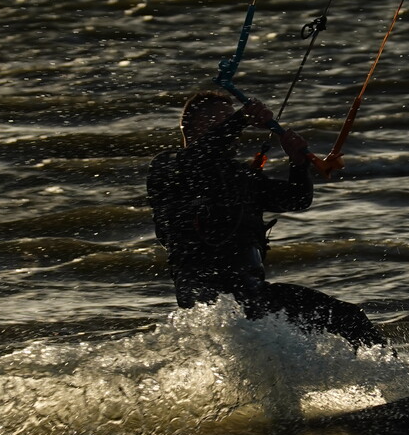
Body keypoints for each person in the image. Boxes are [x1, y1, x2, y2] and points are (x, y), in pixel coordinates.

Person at [146, 89, 385, 349]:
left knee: (350, 319)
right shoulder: (171, 168)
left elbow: (296, 199)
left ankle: (391, 378)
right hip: (208, 300)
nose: (232, 131)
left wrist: (297, 164)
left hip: (254, 293)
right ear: (189, 127)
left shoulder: (239, 176)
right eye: (221, 123)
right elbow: (200, 158)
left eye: (231, 122)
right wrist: (240, 118)